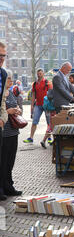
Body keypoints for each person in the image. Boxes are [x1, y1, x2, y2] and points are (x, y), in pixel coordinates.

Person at [0, 70, 22, 199]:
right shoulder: (2, 94)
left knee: (10, 161)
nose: (11, 81)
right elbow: (4, 110)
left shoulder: (12, 93)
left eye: (12, 79)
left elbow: (17, 106)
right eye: (9, 79)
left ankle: (9, 186)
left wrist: (18, 110)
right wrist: (8, 111)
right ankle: (2, 188)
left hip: (14, 131)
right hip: (4, 132)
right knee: (2, 162)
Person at [23, 68, 49, 144]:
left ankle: (49, 138)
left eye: (40, 73)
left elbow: (51, 93)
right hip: (38, 105)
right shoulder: (34, 84)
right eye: (38, 73)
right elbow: (33, 95)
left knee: (49, 122)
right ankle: (31, 138)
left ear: (43, 74)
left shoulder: (47, 82)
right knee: (34, 121)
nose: (39, 75)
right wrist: (31, 106)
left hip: (47, 105)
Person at [0, 42, 8, 201]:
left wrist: (2, 118)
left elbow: (2, 100)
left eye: (3, 56)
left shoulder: (3, 74)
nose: (1, 59)